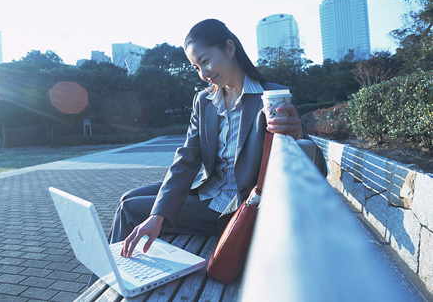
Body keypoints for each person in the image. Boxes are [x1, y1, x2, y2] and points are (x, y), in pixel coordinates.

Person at [87, 19, 326, 286]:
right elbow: (186, 160)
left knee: (131, 209)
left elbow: (317, 172)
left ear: (230, 48)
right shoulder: (204, 101)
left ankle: (106, 286)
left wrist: (296, 135)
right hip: (209, 194)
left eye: (206, 61)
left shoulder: (272, 96)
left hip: (239, 208)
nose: (203, 72)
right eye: (196, 67)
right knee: (128, 197)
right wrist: (158, 214)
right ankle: (119, 278)